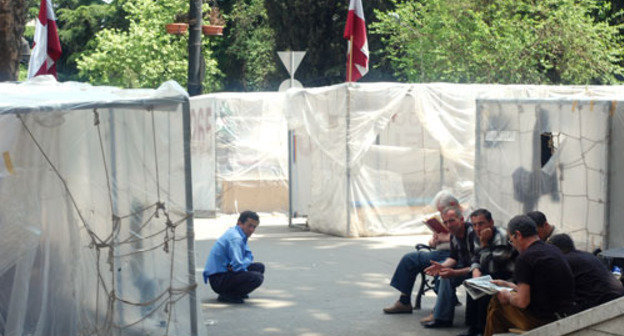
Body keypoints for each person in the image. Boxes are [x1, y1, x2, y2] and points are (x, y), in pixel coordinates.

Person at [484, 215, 577, 336]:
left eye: (511, 240)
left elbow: (522, 302)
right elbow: (541, 289)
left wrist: (507, 296)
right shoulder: (552, 250)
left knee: (496, 302)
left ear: (518, 234)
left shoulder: (525, 258)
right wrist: (509, 285)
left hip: (542, 321)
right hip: (563, 314)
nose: (513, 245)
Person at [382, 190, 459, 315]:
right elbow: (433, 242)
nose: (442, 213)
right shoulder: (444, 217)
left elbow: (467, 240)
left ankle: (442, 308)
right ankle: (404, 301)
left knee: (441, 269)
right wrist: (433, 242)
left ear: (452, 204)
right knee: (409, 258)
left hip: (453, 255)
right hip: (438, 253)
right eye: (440, 211)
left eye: (443, 209)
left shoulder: (465, 217)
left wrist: (446, 238)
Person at [460, 209, 516, 336]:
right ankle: (472, 327)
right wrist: (475, 269)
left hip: (506, 276)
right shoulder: (476, 235)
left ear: (491, 222)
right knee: (471, 280)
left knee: (484, 284)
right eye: (474, 225)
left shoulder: (502, 235)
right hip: (489, 272)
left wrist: (484, 245)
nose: (477, 228)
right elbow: (475, 257)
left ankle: (482, 329)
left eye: (481, 224)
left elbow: (494, 264)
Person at [422, 205, 478, 328]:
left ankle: (473, 322)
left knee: (450, 274)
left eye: (452, 221)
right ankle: (442, 319)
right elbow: (453, 258)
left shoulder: (473, 233)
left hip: (478, 269)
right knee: (444, 276)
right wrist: (441, 266)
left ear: (462, 219)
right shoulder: (453, 235)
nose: (448, 225)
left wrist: (453, 272)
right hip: (465, 268)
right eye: (445, 222)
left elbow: (478, 265)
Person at [549, 233, 624, 310]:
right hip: (616, 297)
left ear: (555, 249)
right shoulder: (586, 255)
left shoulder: (566, 261)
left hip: (600, 303)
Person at [203, 210, 265, 303]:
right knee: (257, 277)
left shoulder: (237, 233)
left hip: (223, 273)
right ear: (240, 223)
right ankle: (228, 294)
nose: (252, 230)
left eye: (254, 227)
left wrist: (243, 262)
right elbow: (238, 266)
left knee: (259, 267)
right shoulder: (236, 238)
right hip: (219, 279)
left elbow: (248, 257)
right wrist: (243, 263)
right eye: (249, 226)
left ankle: (236, 292)